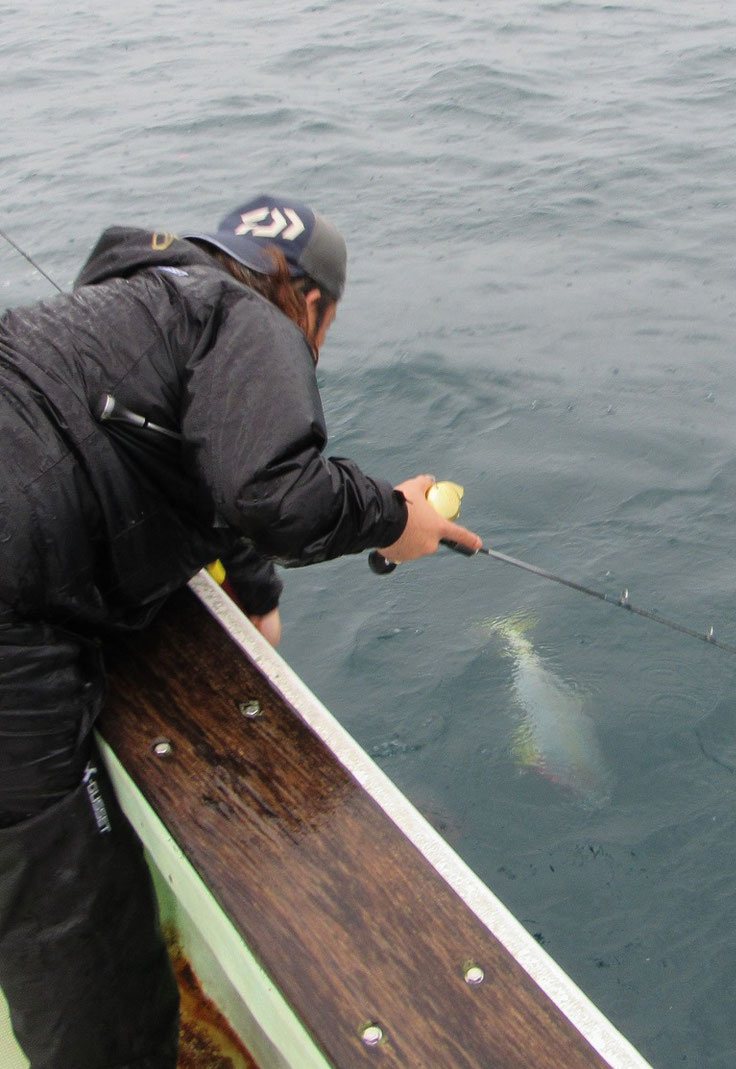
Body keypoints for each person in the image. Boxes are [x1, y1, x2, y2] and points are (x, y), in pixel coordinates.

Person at [0, 193, 481, 1068]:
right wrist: (394, 516)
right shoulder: (250, 317)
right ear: (307, 299)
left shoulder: (143, 299)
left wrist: (254, 593)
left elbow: (190, 456)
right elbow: (277, 495)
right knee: (83, 929)